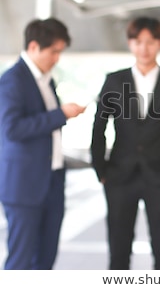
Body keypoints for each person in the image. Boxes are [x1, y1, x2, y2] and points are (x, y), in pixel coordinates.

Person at [90, 16, 160, 270]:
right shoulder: (114, 80)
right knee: (118, 251)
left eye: (150, 42)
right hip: (119, 176)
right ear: (130, 44)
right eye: (138, 42)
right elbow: (99, 127)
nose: (144, 48)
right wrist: (100, 169)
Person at [0, 18, 86, 270]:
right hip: (24, 186)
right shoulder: (12, 80)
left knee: (46, 258)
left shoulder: (46, 80)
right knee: (21, 259)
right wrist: (61, 114)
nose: (57, 58)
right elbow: (11, 129)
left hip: (51, 180)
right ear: (35, 46)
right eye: (54, 51)